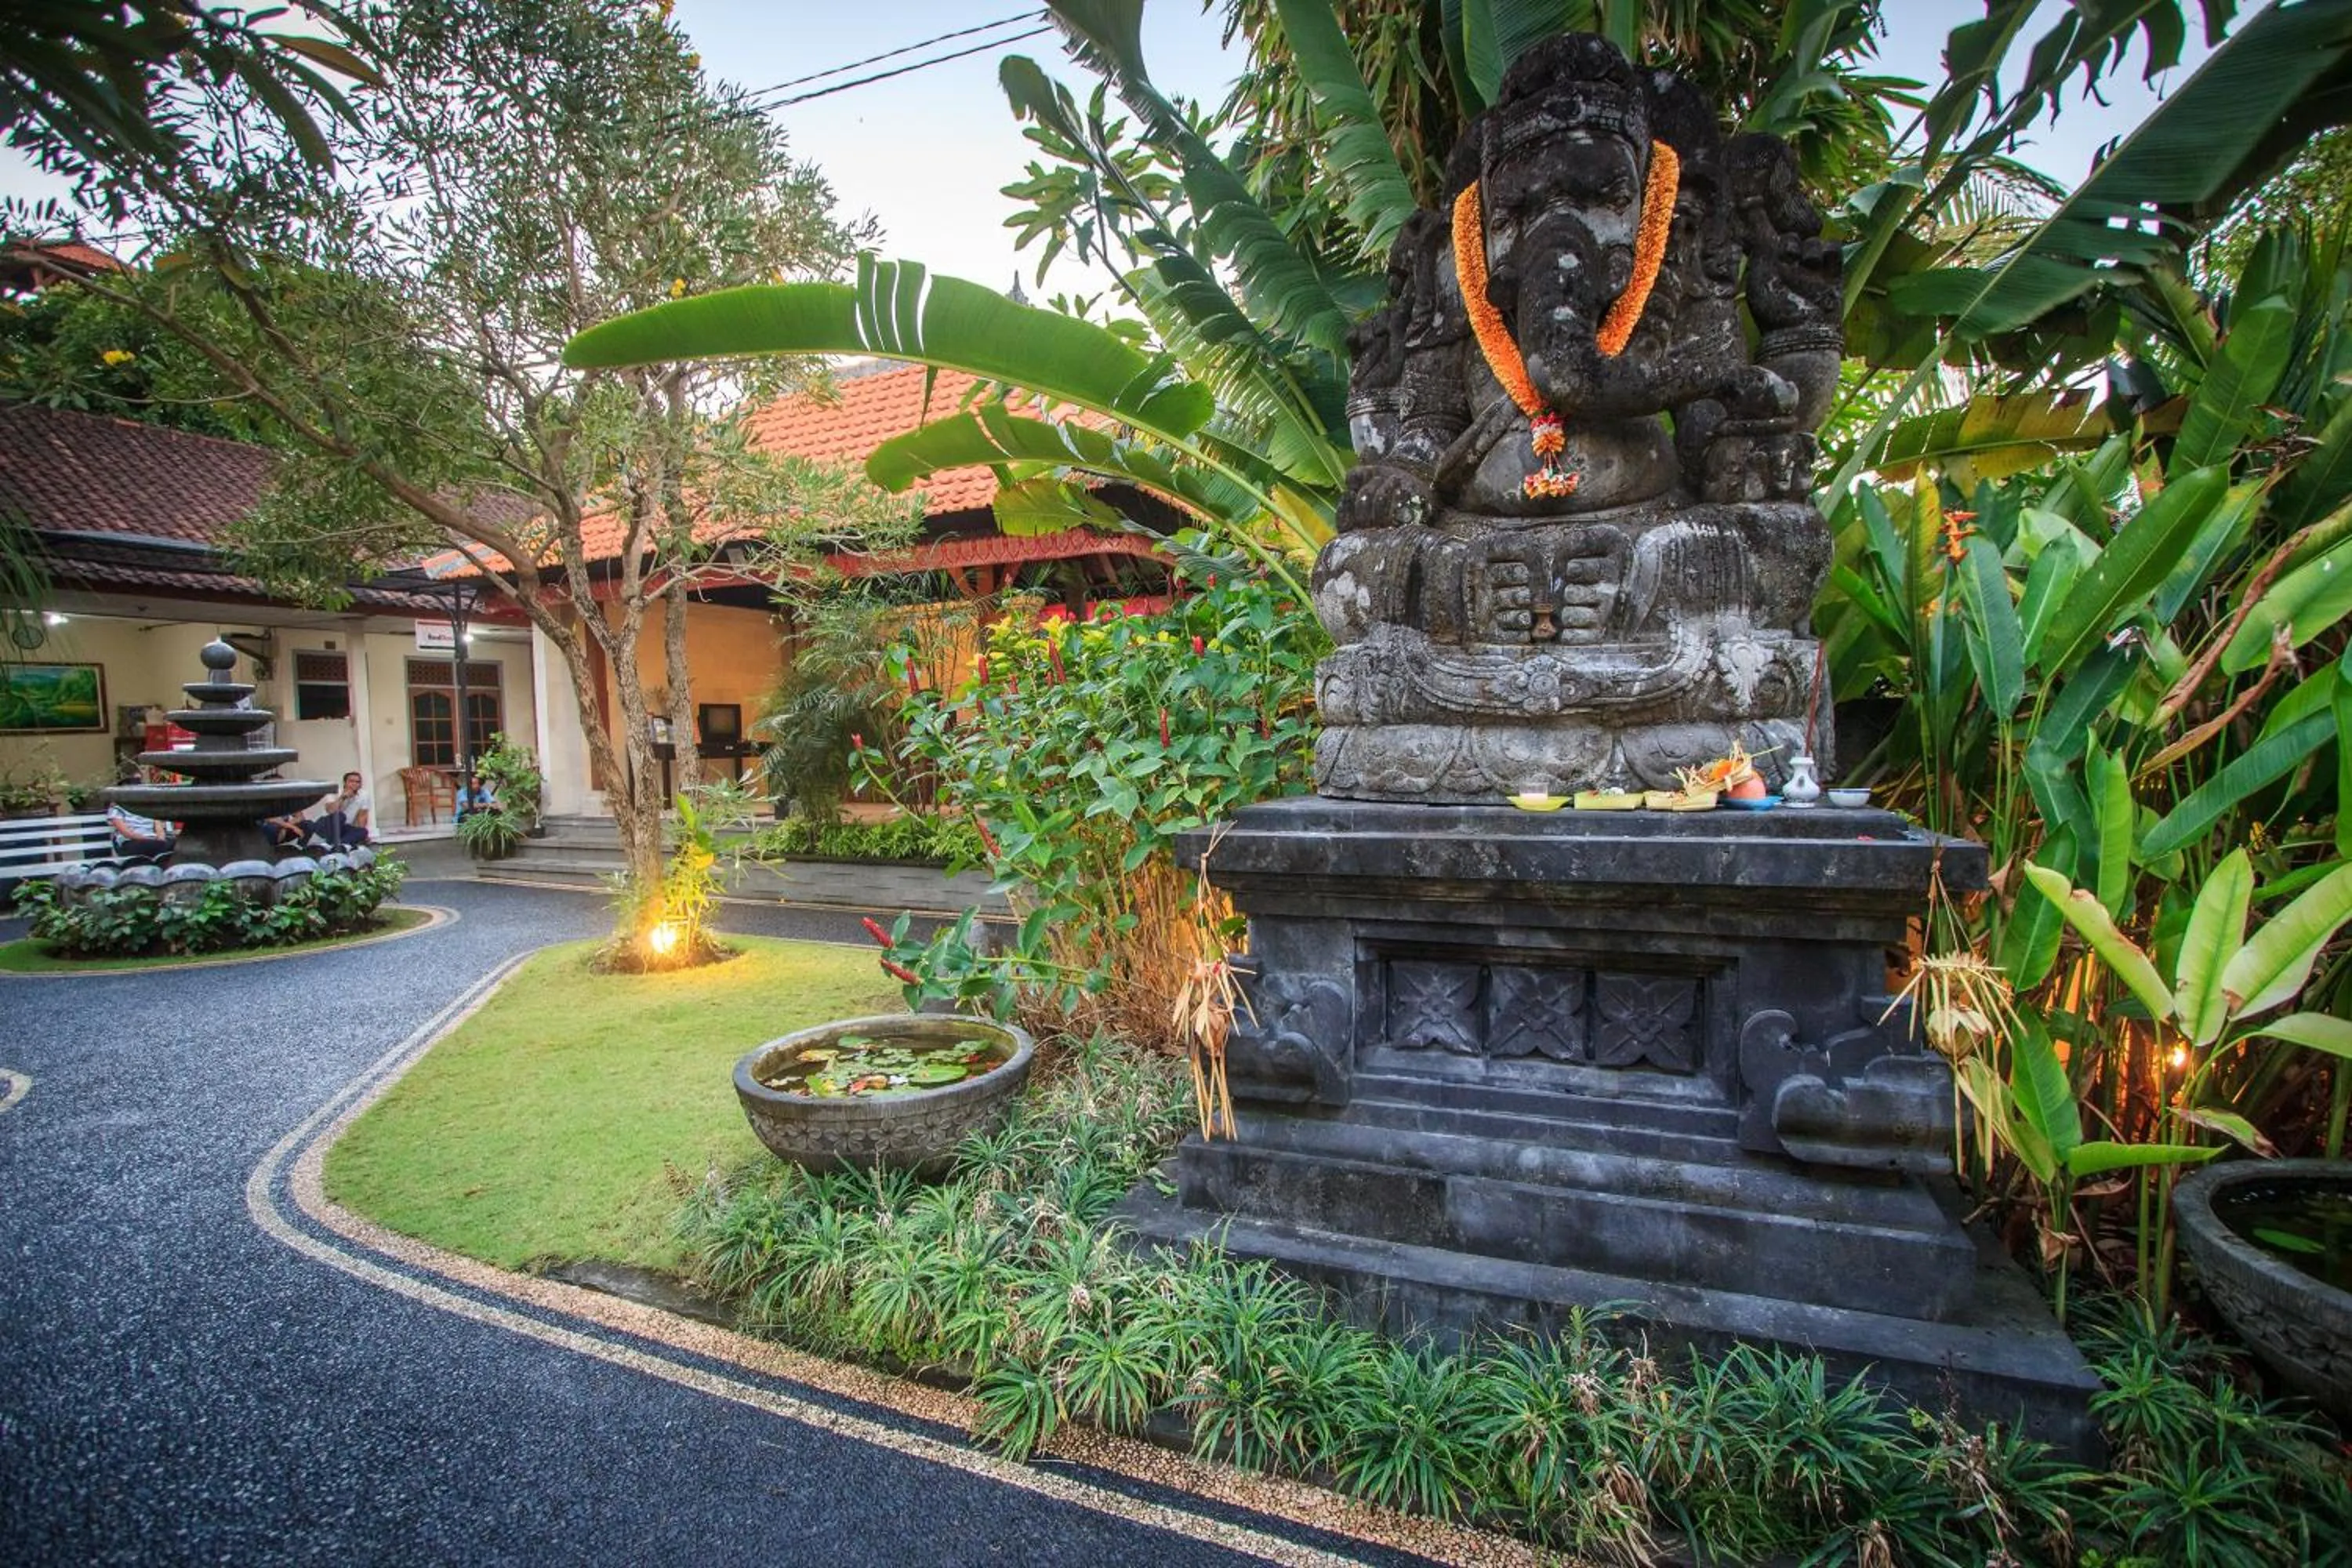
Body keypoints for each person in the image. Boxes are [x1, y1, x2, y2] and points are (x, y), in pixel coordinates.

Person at [308, 770, 372, 850]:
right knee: (340, 816)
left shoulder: (364, 795)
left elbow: (362, 816)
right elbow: (330, 811)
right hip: (326, 825)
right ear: (345, 783)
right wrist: (343, 797)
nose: (355, 784)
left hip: (344, 828)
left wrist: (363, 836)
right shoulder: (334, 792)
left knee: (363, 831)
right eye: (351, 781)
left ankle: (339, 845)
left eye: (358, 782)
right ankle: (336, 844)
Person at [106, 803, 176, 864]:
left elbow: (159, 829)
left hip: (154, 841)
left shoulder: (149, 809)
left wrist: (161, 839)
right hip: (130, 842)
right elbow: (127, 833)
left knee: (176, 844)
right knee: (157, 846)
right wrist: (150, 839)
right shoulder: (117, 810)